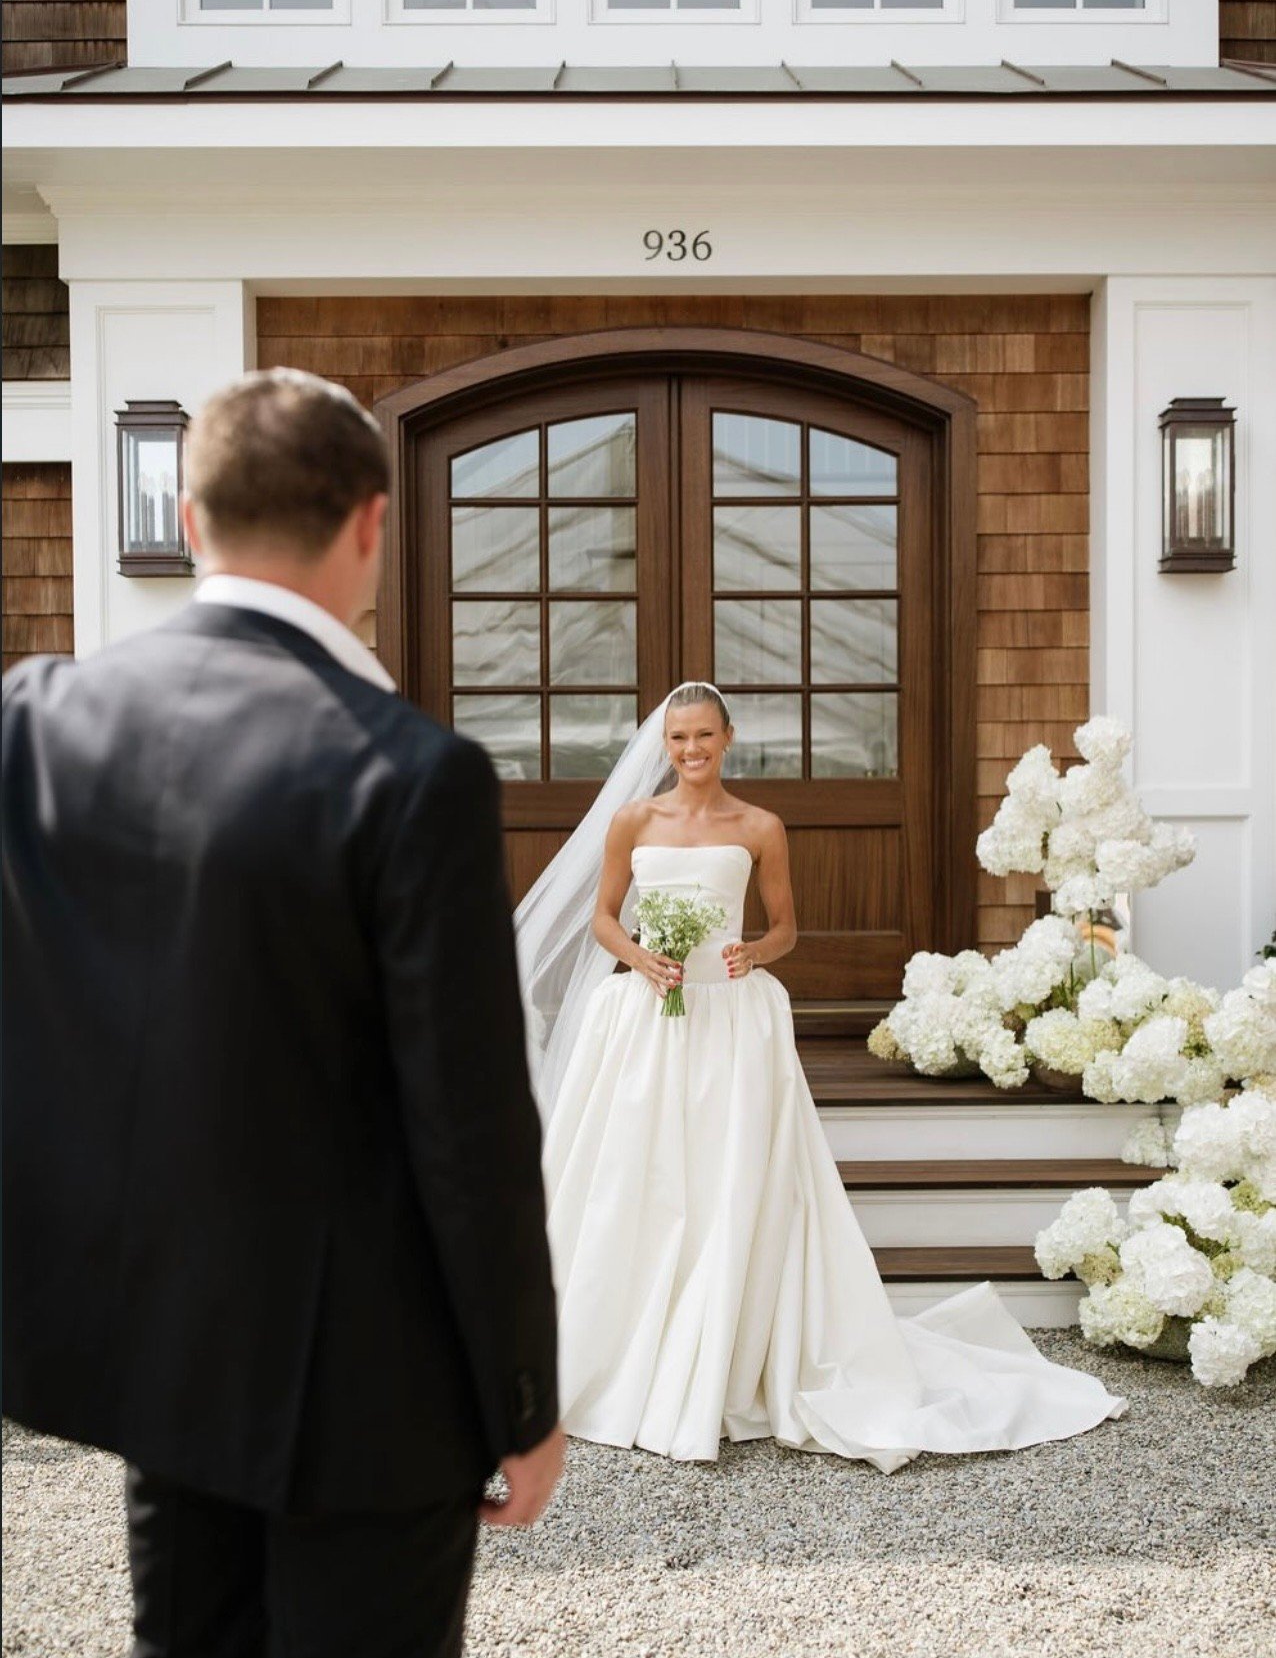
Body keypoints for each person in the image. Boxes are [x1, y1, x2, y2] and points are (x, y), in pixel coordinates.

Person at [2, 368, 564, 1658]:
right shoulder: (411, 773)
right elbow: (469, 1129)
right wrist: (521, 1398)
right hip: (369, 1391)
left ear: (191, 523)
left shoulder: (33, 722)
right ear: (371, 523)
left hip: (151, 1346)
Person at [516, 682, 1126, 1469]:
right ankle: (629, 1340)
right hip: (647, 1019)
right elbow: (603, 915)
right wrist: (638, 957)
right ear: (663, 746)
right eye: (677, 739)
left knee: (722, 1176)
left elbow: (786, 927)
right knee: (641, 1176)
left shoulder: (761, 826)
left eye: (704, 736)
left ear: (728, 737)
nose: (691, 750)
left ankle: (720, 1343)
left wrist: (752, 953)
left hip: (731, 1018)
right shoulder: (634, 821)